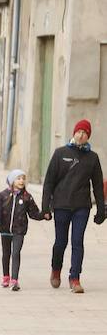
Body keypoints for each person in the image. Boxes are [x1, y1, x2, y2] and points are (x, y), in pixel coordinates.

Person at [42, 119, 105, 293]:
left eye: (85, 133)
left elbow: (98, 185)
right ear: (74, 132)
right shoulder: (60, 153)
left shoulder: (92, 158)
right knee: (60, 242)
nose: (81, 134)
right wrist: (45, 207)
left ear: (88, 137)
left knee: (78, 242)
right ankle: (56, 270)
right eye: (79, 131)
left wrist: (101, 209)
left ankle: (75, 278)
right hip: (61, 205)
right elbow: (49, 182)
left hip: (81, 207)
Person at [0, 169, 46, 291]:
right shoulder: (3, 195)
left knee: (16, 253)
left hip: (19, 230)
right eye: (18, 178)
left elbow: (34, 213)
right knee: (6, 254)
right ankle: (6, 276)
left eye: (23, 178)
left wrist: (44, 215)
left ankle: (14, 280)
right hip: (5, 229)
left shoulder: (27, 197)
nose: (21, 181)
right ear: (12, 181)